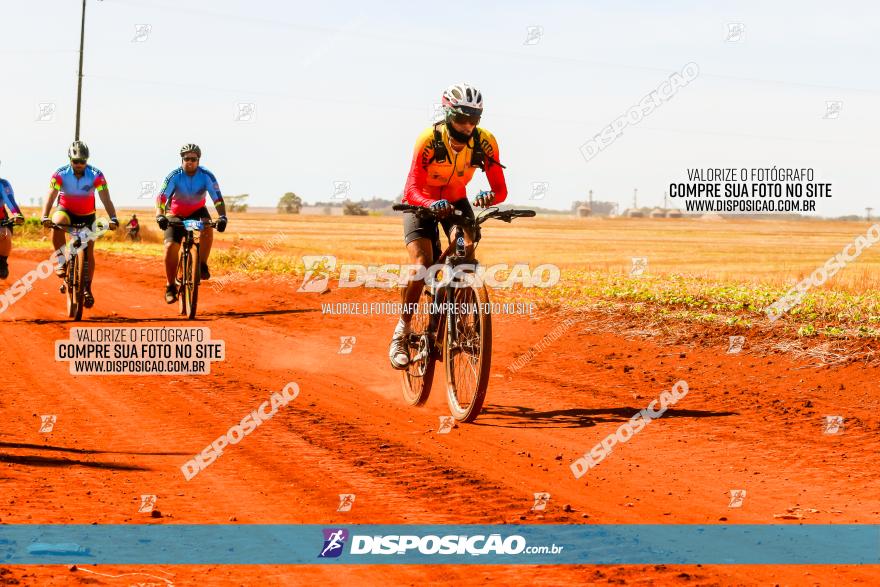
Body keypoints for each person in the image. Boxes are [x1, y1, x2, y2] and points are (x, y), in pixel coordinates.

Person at [388, 82, 508, 369]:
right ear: (447, 113)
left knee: (466, 255)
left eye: (474, 119)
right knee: (422, 264)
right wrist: (429, 205)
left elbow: (500, 189)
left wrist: (490, 196)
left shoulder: (485, 141)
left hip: (456, 201)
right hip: (420, 201)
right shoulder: (428, 139)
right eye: (461, 117)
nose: (467, 125)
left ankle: (465, 323)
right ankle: (401, 333)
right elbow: (414, 185)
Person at [40, 141, 118, 308]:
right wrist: (44, 215)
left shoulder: (97, 174)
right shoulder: (59, 174)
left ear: (87, 160)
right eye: (76, 161)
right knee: (57, 223)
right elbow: (51, 194)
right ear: (70, 160)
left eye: (83, 161)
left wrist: (113, 217)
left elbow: (105, 198)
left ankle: (87, 289)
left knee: (88, 250)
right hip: (65, 211)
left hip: (87, 215)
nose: (79, 165)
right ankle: (61, 261)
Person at [156, 143, 227, 304]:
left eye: (193, 159)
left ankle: (201, 264)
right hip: (175, 213)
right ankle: (170, 286)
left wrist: (223, 217)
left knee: (208, 227)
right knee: (170, 246)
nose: (190, 162)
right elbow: (161, 198)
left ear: (198, 160)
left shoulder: (207, 175)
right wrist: (160, 215)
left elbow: (217, 198)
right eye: (186, 158)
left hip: (197, 211)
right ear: (182, 160)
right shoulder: (174, 176)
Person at [0, 168, 25, 279]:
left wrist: (17, 214)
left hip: (1, 221)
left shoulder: (3, 184)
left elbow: (10, 201)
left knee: (5, 234)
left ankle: (2, 263)